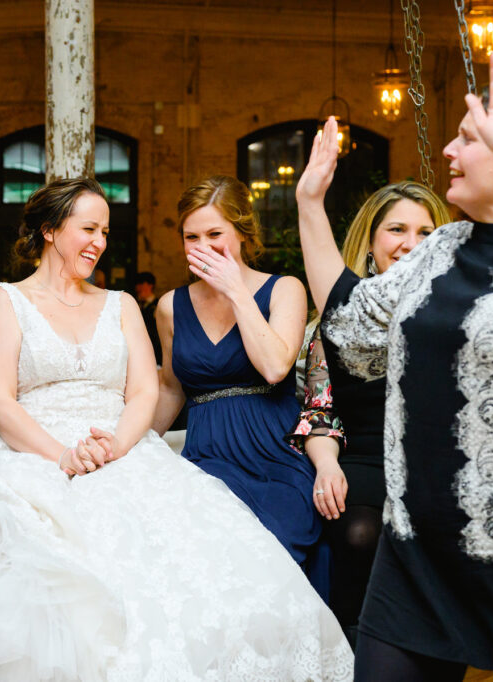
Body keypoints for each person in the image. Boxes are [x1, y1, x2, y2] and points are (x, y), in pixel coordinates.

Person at [0, 178, 353, 681]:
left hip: (120, 449)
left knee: (200, 568)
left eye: (104, 230)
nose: (99, 241)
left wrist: (118, 443)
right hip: (32, 451)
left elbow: (146, 390)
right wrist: (61, 456)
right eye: (88, 229)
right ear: (51, 231)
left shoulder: (120, 304)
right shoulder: (5, 302)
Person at [297, 41, 493, 680]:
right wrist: (311, 205)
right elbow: (347, 314)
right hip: (418, 555)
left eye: (468, 139)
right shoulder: (440, 248)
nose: (447, 152)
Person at [287, 181, 451, 644]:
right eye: (397, 229)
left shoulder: (454, 313)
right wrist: (326, 466)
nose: (410, 244)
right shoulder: (338, 317)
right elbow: (320, 410)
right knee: (359, 532)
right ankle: (356, 643)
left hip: (429, 462)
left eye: (425, 231)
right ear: (372, 239)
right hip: (359, 458)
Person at [151, 175, 325, 594]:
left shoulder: (285, 289)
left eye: (215, 234)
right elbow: (171, 389)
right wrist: (127, 445)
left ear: (243, 233)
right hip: (207, 456)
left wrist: (235, 292)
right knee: (212, 559)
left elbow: (274, 367)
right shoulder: (170, 307)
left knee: (275, 554)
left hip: (276, 454)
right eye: (191, 236)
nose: (203, 246)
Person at [133, 271, 162, 364]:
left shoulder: (159, 305)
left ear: (150, 285)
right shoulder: (136, 304)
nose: (138, 288)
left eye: (141, 284)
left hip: (155, 351)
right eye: (137, 284)